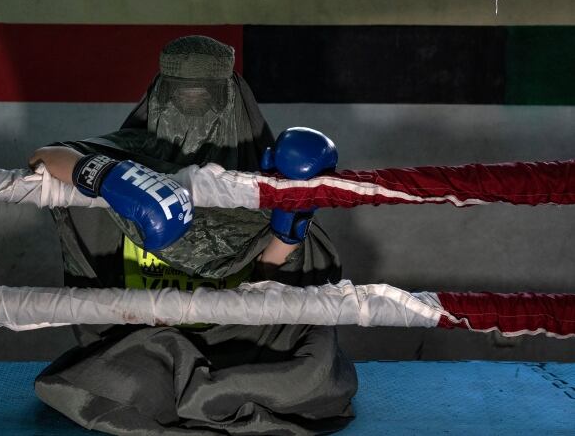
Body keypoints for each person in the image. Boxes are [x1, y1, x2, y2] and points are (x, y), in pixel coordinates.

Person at [28, 35, 357, 435]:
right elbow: (45, 157)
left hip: (245, 337)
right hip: (148, 337)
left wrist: (290, 224)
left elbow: (276, 286)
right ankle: (204, 393)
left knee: (313, 367)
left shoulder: (265, 170)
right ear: (159, 94)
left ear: (231, 95)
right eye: (180, 94)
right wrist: (111, 178)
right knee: (122, 374)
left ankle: (208, 391)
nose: (193, 106)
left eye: (208, 96)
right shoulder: (128, 154)